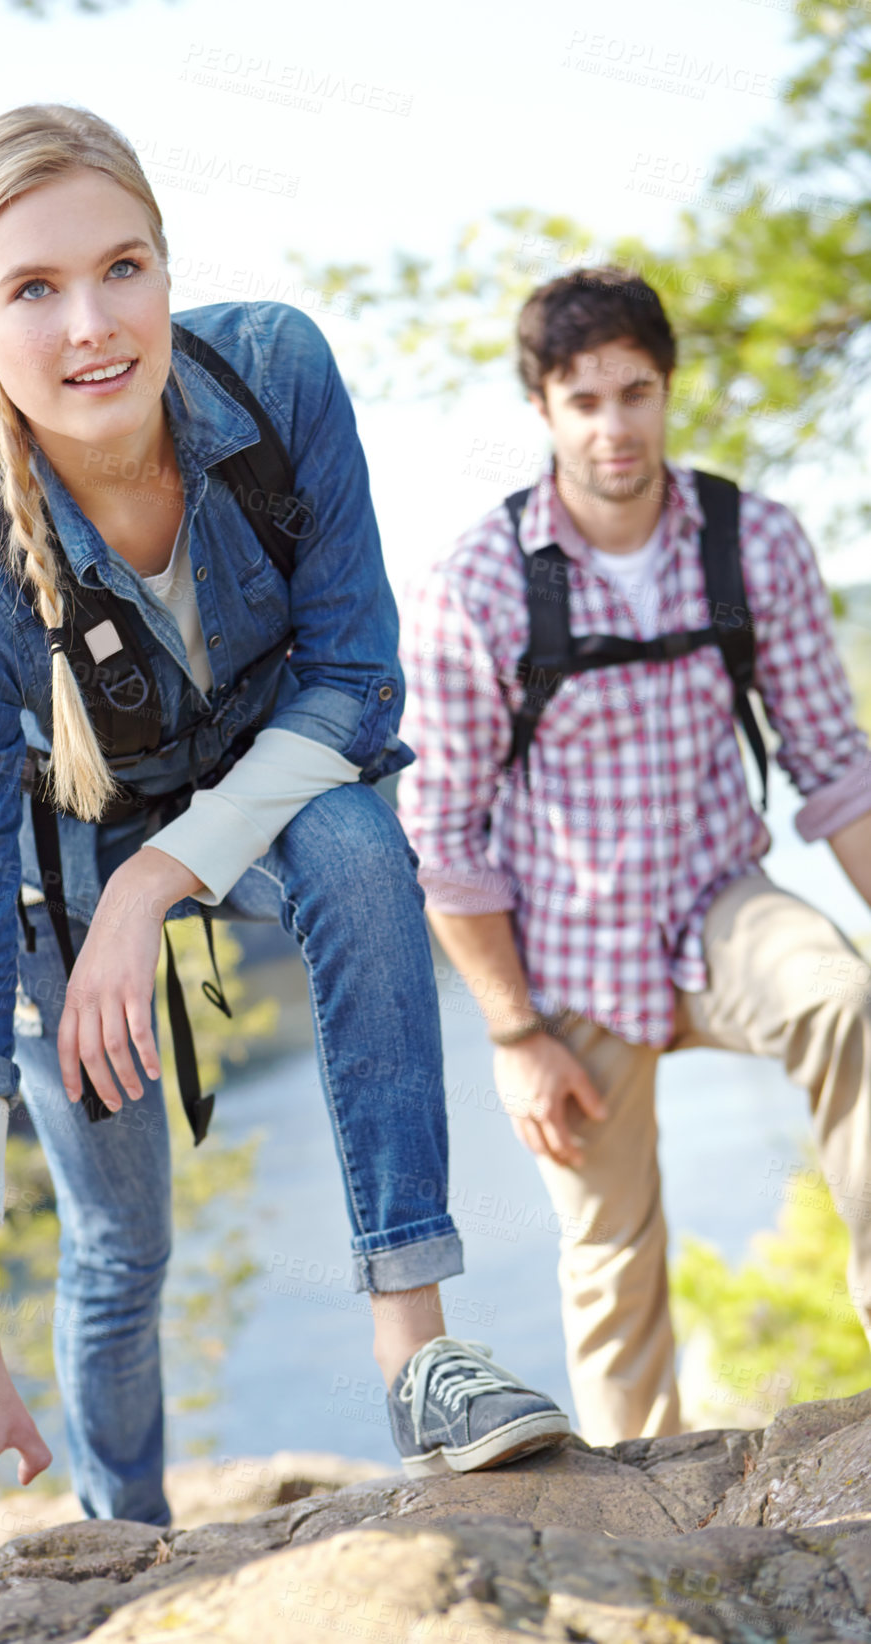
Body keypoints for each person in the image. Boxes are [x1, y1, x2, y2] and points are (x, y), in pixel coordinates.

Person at [0, 104, 570, 1599]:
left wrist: (163, 874)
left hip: (257, 787)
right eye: (32, 290)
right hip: (51, 872)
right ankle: (130, 1535)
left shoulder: (272, 376)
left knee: (352, 848)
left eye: (123, 266)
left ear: (165, 263)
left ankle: (420, 1357)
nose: (91, 324)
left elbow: (353, 687)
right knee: (120, 1248)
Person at [397, 265, 871, 1448]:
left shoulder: (749, 541)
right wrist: (514, 1034)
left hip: (723, 905)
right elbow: (444, 840)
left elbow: (835, 767)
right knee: (610, 1256)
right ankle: (638, 1508)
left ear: (666, 391)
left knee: (845, 999)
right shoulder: (479, 583)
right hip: (567, 949)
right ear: (542, 409)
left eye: (634, 392)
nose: (614, 427)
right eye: (583, 399)